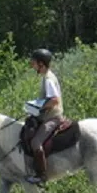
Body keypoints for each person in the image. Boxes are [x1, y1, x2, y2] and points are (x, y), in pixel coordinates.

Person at [26, 48, 64, 185]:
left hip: (53, 118)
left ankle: (41, 176)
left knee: (36, 143)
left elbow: (54, 100)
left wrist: (37, 108)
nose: (32, 65)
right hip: (47, 116)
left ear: (41, 64)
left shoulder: (48, 79)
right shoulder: (46, 76)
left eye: (34, 62)